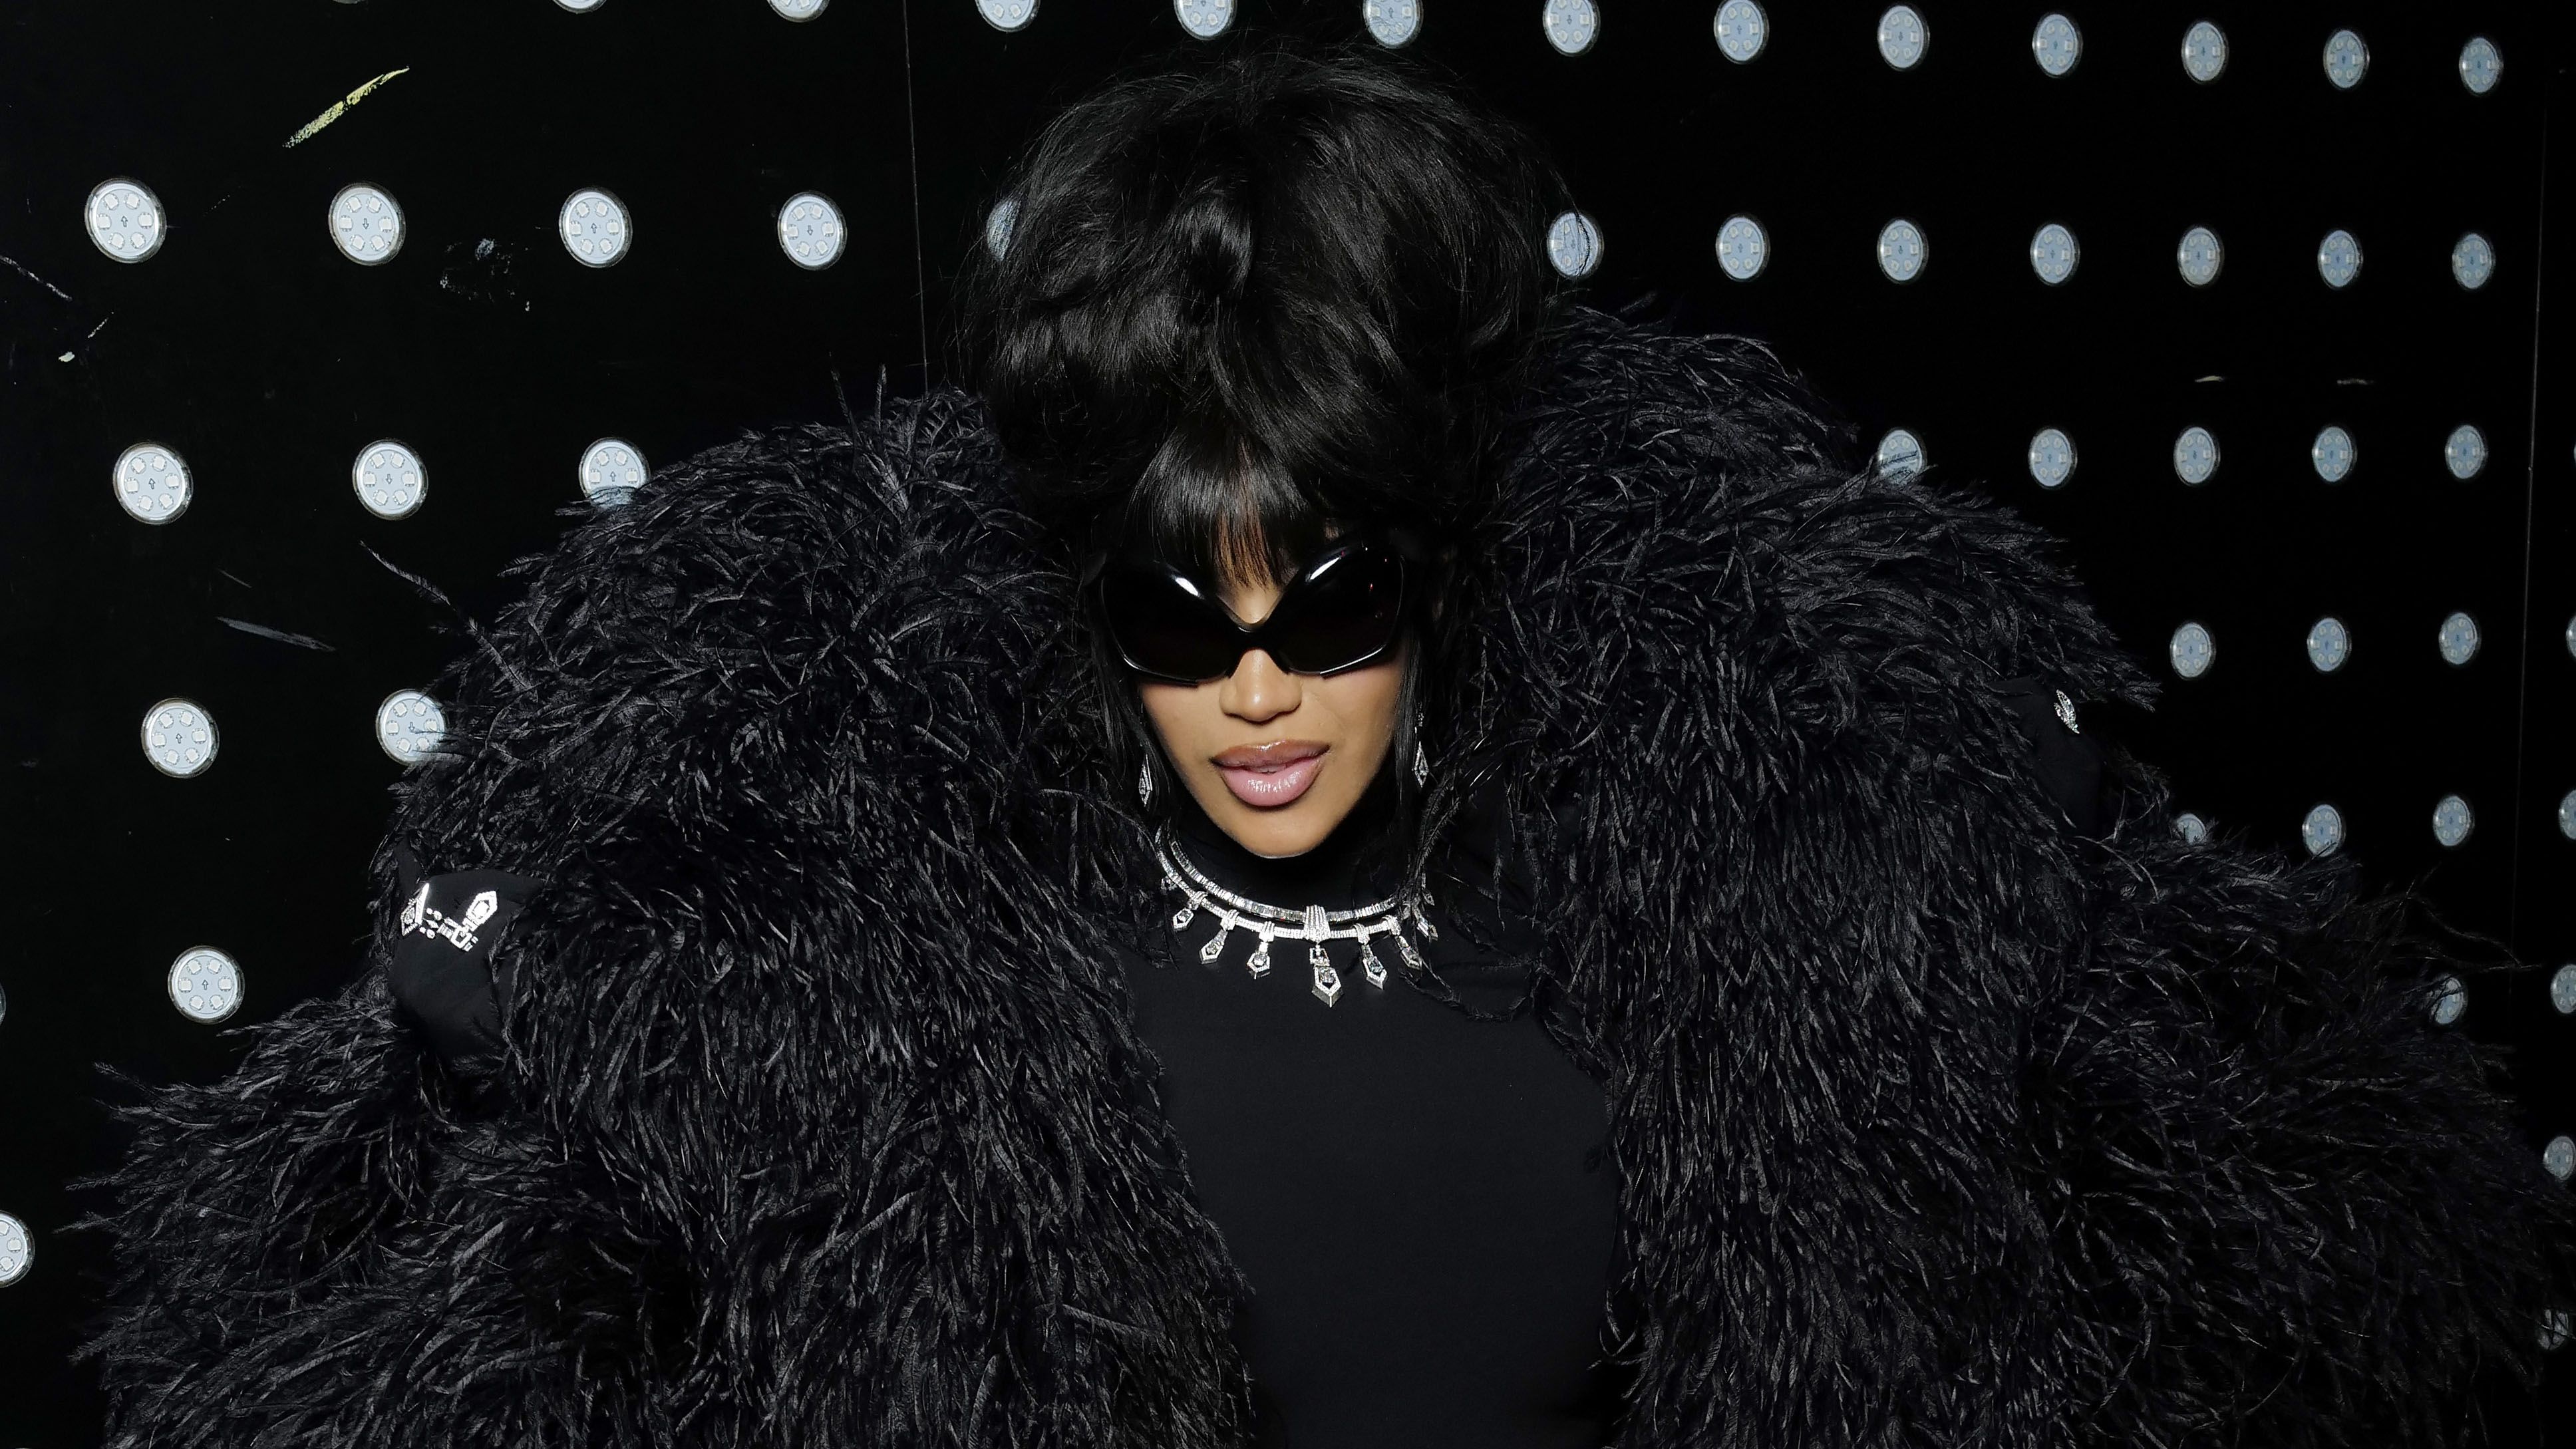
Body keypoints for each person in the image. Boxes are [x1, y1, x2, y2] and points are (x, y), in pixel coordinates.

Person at [69, 36, 2573, 1449]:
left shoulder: (1714, 918)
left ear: (1445, 561)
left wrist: (1976, 801)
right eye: (1174, 613)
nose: (1255, 686)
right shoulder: (935, 998)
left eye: (1334, 597)